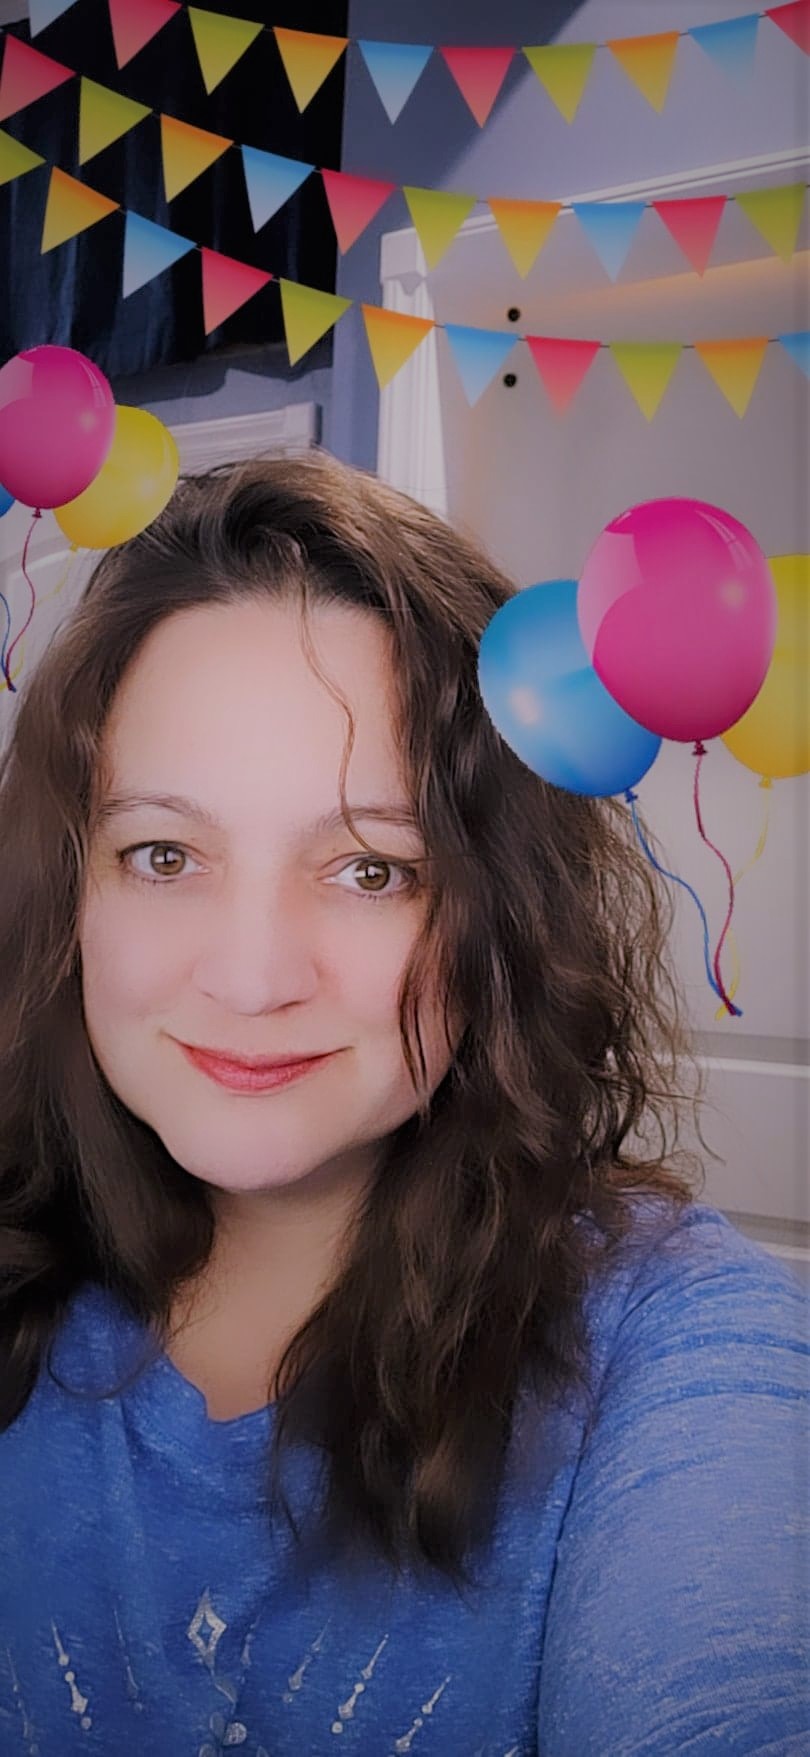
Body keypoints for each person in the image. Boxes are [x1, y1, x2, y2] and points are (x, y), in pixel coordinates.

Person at [0, 449, 807, 1757]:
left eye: (372, 869)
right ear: (67, 897)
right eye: (163, 853)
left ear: (499, 912)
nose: (253, 977)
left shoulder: (671, 1347)